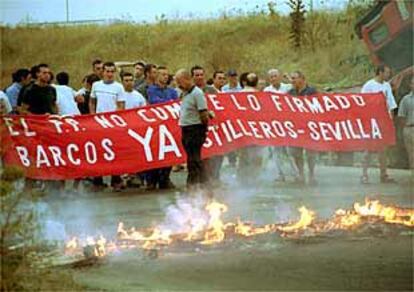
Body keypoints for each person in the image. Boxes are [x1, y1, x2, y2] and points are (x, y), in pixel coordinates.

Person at [90, 61, 126, 191]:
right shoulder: (96, 85)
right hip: (98, 124)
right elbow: (92, 102)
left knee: (114, 152)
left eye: (112, 71)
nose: (110, 74)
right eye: (107, 71)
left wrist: (115, 120)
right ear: (103, 72)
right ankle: (97, 180)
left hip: (113, 125)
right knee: (99, 151)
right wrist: (93, 116)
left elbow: (121, 106)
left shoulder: (119, 87)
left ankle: (115, 179)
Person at [360, 65, 397, 183]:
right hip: (372, 121)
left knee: (383, 149)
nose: (388, 75)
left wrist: (390, 119)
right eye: (386, 72)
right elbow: (362, 102)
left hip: (383, 120)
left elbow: (390, 103)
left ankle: (383, 174)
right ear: (380, 72)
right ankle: (364, 175)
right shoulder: (369, 85)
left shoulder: (386, 86)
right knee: (368, 148)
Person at [175, 69, 210, 191]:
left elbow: (204, 114)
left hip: (195, 129)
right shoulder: (185, 93)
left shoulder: (197, 93)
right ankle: (193, 183)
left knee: (195, 158)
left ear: (186, 79)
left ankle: (203, 183)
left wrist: (202, 129)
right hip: (186, 128)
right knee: (190, 158)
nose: (178, 85)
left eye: (180, 81)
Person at [146, 66, 178, 190]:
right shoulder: (151, 90)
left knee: (168, 153)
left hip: (169, 127)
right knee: (154, 152)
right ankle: (152, 180)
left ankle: (165, 178)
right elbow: (155, 103)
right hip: (155, 126)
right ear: (157, 76)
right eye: (162, 74)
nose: (165, 77)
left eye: (166, 74)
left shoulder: (172, 91)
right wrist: (168, 102)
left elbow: (175, 104)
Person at [264, 69, 297, 182]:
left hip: (287, 122)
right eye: (271, 77)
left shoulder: (287, 87)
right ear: (269, 79)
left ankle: (296, 173)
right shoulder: (266, 90)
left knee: (289, 150)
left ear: (279, 77)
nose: (274, 78)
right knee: (275, 150)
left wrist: (288, 78)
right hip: (274, 123)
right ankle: (280, 174)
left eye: (275, 76)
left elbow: (297, 87)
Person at [287, 71, 318, 185]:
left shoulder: (312, 91)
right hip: (295, 127)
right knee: (296, 153)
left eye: (294, 78)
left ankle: (312, 174)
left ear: (302, 78)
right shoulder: (290, 93)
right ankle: (300, 174)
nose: (292, 81)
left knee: (311, 153)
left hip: (310, 126)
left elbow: (319, 106)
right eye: (291, 79)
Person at [237, 73, 264, 184]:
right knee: (256, 155)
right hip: (254, 128)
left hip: (247, 128)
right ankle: (252, 178)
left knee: (244, 155)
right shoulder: (261, 95)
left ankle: (243, 178)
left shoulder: (238, 95)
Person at [397, 77, 414, 169]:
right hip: (409, 129)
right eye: (413, 83)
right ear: (410, 85)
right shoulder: (406, 99)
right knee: (411, 155)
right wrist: (407, 128)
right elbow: (401, 116)